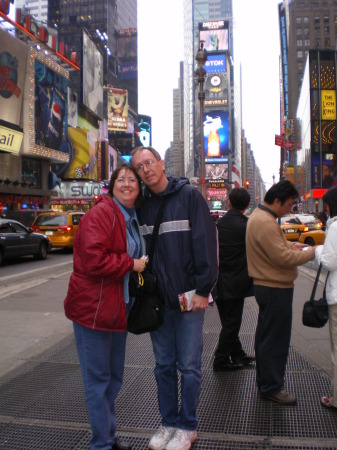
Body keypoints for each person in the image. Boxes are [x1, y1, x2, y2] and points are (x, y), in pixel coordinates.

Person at [131, 146, 218, 450]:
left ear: (161, 163)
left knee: (189, 366)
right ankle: (168, 421)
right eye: (139, 167)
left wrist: (204, 291)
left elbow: (206, 244)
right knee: (163, 365)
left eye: (149, 162)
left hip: (189, 297)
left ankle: (188, 426)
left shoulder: (189, 196)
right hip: (159, 301)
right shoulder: (140, 206)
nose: (146, 169)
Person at [64, 163, 147, 450]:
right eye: (121, 179)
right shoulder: (101, 213)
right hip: (94, 311)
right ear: (112, 186)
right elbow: (93, 260)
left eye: (133, 180)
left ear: (139, 187)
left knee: (113, 380)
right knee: (98, 383)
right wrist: (131, 263)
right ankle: (102, 444)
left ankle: (108, 437)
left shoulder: (131, 216)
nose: (127, 184)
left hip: (118, 309)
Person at [246, 180, 316, 405]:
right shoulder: (265, 222)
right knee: (275, 341)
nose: (289, 210)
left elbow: (277, 249)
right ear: (276, 201)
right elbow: (283, 259)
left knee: (267, 337)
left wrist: (290, 246)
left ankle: (267, 384)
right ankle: (272, 387)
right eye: (288, 205)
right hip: (274, 287)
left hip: (269, 286)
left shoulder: (261, 216)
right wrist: (313, 252)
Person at [213, 187, 255, 372]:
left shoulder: (218, 224)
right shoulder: (246, 225)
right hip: (236, 281)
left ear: (229, 202)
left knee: (228, 322)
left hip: (218, 280)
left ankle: (237, 353)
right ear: (246, 205)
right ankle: (220, 360)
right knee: (232, 324)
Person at [315, 186, 337, 410]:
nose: (326, 209)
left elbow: (329, 262)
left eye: (327, 205)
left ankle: (336, 398)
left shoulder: (335, 227)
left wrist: (317, 251)